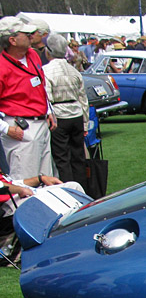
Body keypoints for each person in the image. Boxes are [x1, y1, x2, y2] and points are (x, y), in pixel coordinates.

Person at [0, 16, 56, 180]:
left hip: (41, 123)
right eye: (26, 34)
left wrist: (49, 110)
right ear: (12, 40)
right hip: (20, 126)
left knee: (47, 179)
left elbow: (41, 86)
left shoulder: (32, 55)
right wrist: (6, 129)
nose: (32, 36)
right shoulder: (2, 66)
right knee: (26, 182)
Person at [42, 33, 88, 187]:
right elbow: (83, 99)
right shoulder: (74, 71)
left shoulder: (46, 71)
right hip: (76, 114)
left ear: (49, 51)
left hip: (59, 115)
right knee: (78, 156)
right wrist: (86, 123)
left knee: (62, 158)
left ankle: (69, 190)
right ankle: (82, 188)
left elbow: (47, 97)